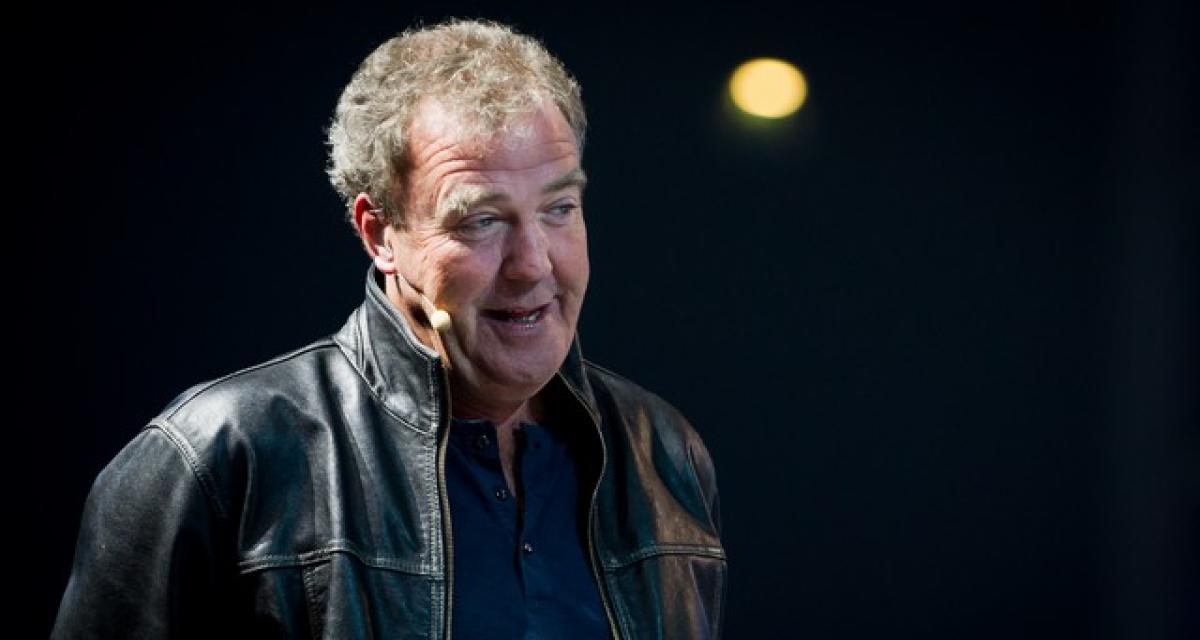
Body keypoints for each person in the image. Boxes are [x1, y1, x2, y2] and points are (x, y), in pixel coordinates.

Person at [53, 19, 725, 639]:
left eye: (559, 208)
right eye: (480, 220)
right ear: (379, 233)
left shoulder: (663, 452)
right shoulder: (218, 458)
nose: (533, 264)